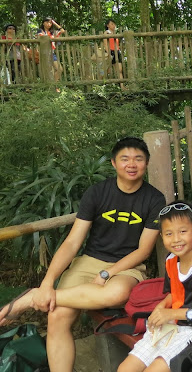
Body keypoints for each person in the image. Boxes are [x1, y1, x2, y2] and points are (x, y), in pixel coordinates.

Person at [0, 137, 166, 372]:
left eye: (138, 159)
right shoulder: (97, 192)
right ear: (113, 163)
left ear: (146, 163)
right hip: (89, 260)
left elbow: (143, 250)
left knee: (116, 293)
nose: (131, 164)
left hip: (127, 266)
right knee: (57, 316)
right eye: (125, 159)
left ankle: (31, 298)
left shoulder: (154, 199)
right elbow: (72, 242)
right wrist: (47, 283)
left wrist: (108, 272)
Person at [118, 201, 192, 372]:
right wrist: (161, 306)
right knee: (125, 369)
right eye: (169, 234)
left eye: (183, 231)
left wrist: (171, 313)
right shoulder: (171, 260)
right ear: (162, 236)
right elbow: (174, 294)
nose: (176, 239)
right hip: (176, 323)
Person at [37, 17, 65, 82]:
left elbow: (62, 31)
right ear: (43, 23)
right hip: (44, 53)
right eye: (47, 22)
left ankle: (54, 83)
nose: (49, 24)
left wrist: (55, 23)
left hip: (52, 53)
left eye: (50, 23)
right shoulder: (40, 31)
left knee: (59, 69)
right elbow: (42, 38)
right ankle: (50, 85)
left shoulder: (53, 32)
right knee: (48, 71)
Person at [104, 19, 124, 83]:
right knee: (107, 70)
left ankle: (122, 85)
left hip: (117, 52)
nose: (114, 25)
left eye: (114, 24)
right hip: (110, 52)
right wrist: (108, 53)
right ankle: (104, 84)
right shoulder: (106, 33)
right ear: (108, 25)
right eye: (112, 24)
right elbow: (105, 44)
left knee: (119, 70)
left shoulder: (115, 33)